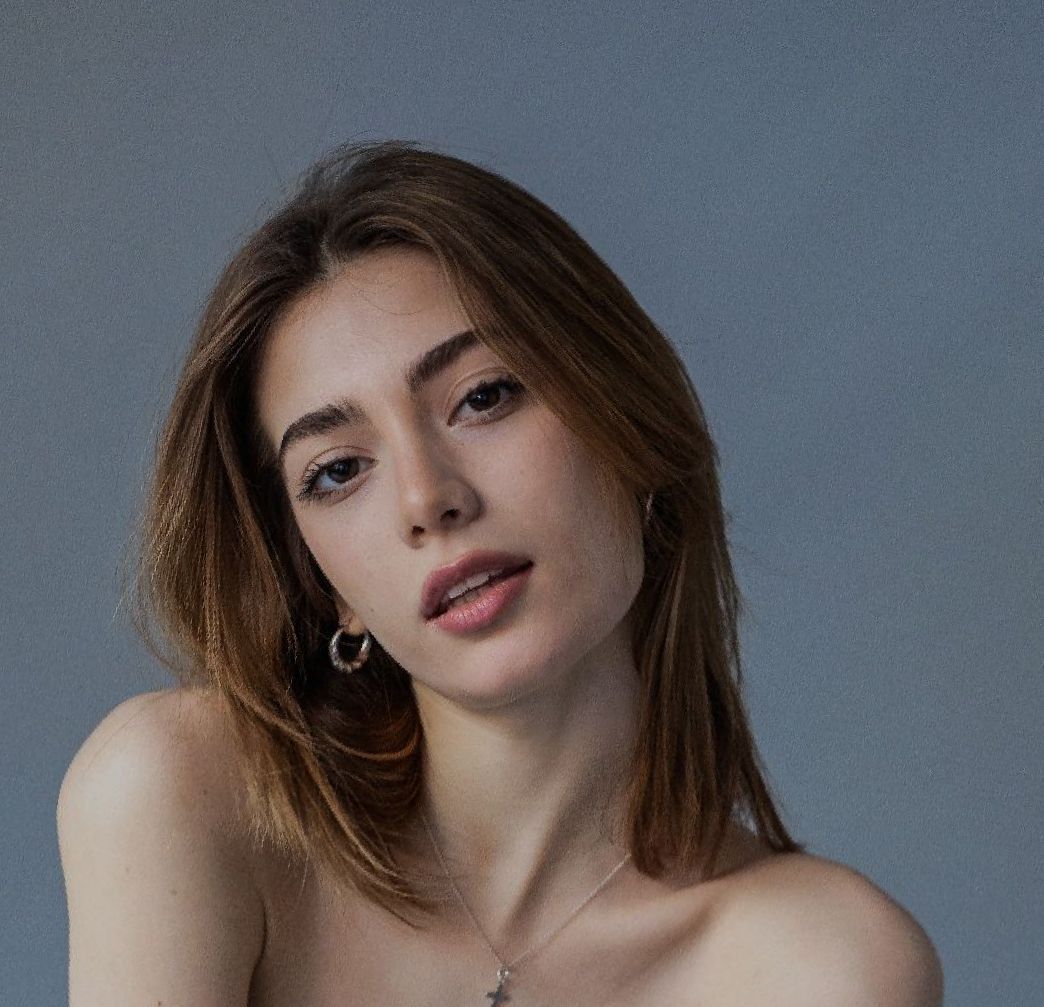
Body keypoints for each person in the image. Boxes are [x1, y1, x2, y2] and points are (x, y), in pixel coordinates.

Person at [56, 140, 943, 1005]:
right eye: (337, 469)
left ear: (626, 425)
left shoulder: (822, 967)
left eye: (484, 396)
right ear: (322, 580)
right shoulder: (184, 795)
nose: (426, 497)